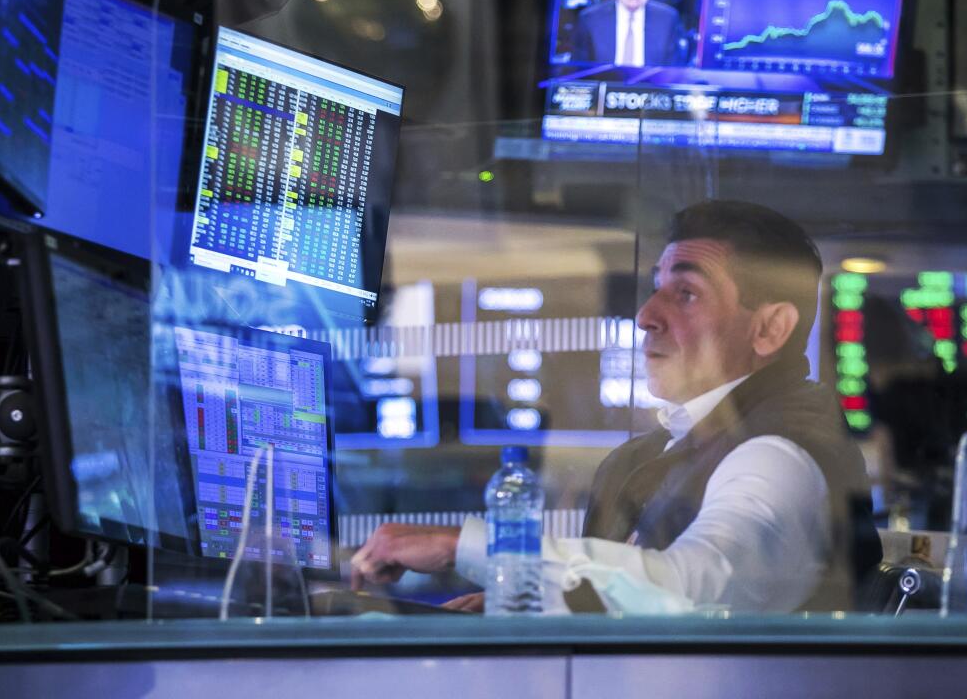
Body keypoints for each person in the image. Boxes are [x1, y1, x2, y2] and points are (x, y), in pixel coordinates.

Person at [351, 200, 881, 612]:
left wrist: (462, 546)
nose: (646, 315)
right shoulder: (681, 447)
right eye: (656, 290)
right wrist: (555, 602)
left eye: (686, 294)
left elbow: (684, 590)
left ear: (769, 329)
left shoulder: (777, 457)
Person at [570, 0, 683, 68]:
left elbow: (674, 71)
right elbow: (578, 71)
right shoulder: (591, 19)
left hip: (652, 88)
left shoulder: (667, 19)